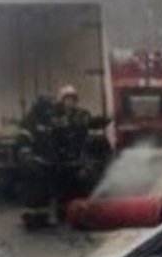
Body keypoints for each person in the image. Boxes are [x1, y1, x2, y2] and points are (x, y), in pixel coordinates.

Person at [18, 84, 109, 229]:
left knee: (74, 190)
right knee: (46, 193)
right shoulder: (44, 119)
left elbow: (88, 126)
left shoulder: (79, 115)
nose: (70, 102)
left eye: (73, 99)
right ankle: (40, 219)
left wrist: (101, 121)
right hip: (51, 163)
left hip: (71, 161)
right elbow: (30, 139)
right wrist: (28, 156)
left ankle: (73, 216)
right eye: (67, 99)